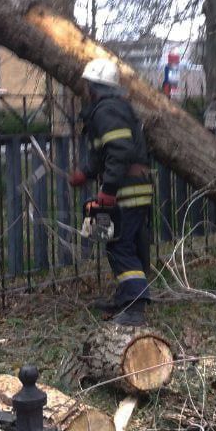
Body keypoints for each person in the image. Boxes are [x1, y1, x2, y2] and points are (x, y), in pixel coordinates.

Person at [68, 58, 154, 326]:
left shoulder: (107, 110)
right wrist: (86, 172)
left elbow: (119, 150)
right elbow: (104, 153)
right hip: (130, 187)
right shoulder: (109, 109)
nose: (85, 90)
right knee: (122, 244)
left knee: (120, 246)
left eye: (88, 85)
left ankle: (135, 306)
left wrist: (108, 188)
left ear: (95, 86)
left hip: (127, 190)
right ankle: (126, 298)